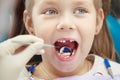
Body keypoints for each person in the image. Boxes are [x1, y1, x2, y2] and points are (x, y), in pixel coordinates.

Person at [0, 0, 120, 80]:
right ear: (30, 24)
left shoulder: (116, 73)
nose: (66, 24)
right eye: (51, 11)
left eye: (80, 10)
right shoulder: (12, 76)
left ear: (98, 22)